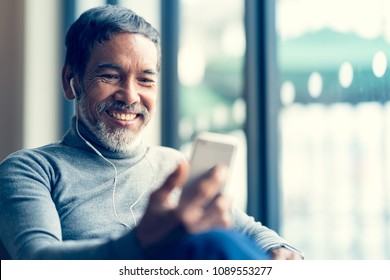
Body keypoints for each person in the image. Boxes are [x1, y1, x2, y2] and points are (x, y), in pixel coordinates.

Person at [0, 5, 303, 260]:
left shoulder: (174, 165)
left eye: (145, 80)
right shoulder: (30, 170)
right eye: (110, 76)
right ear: (71, 81)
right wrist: (141, 242)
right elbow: (36, 262)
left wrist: (278, 249)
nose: (130, 96)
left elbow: (250, 231)